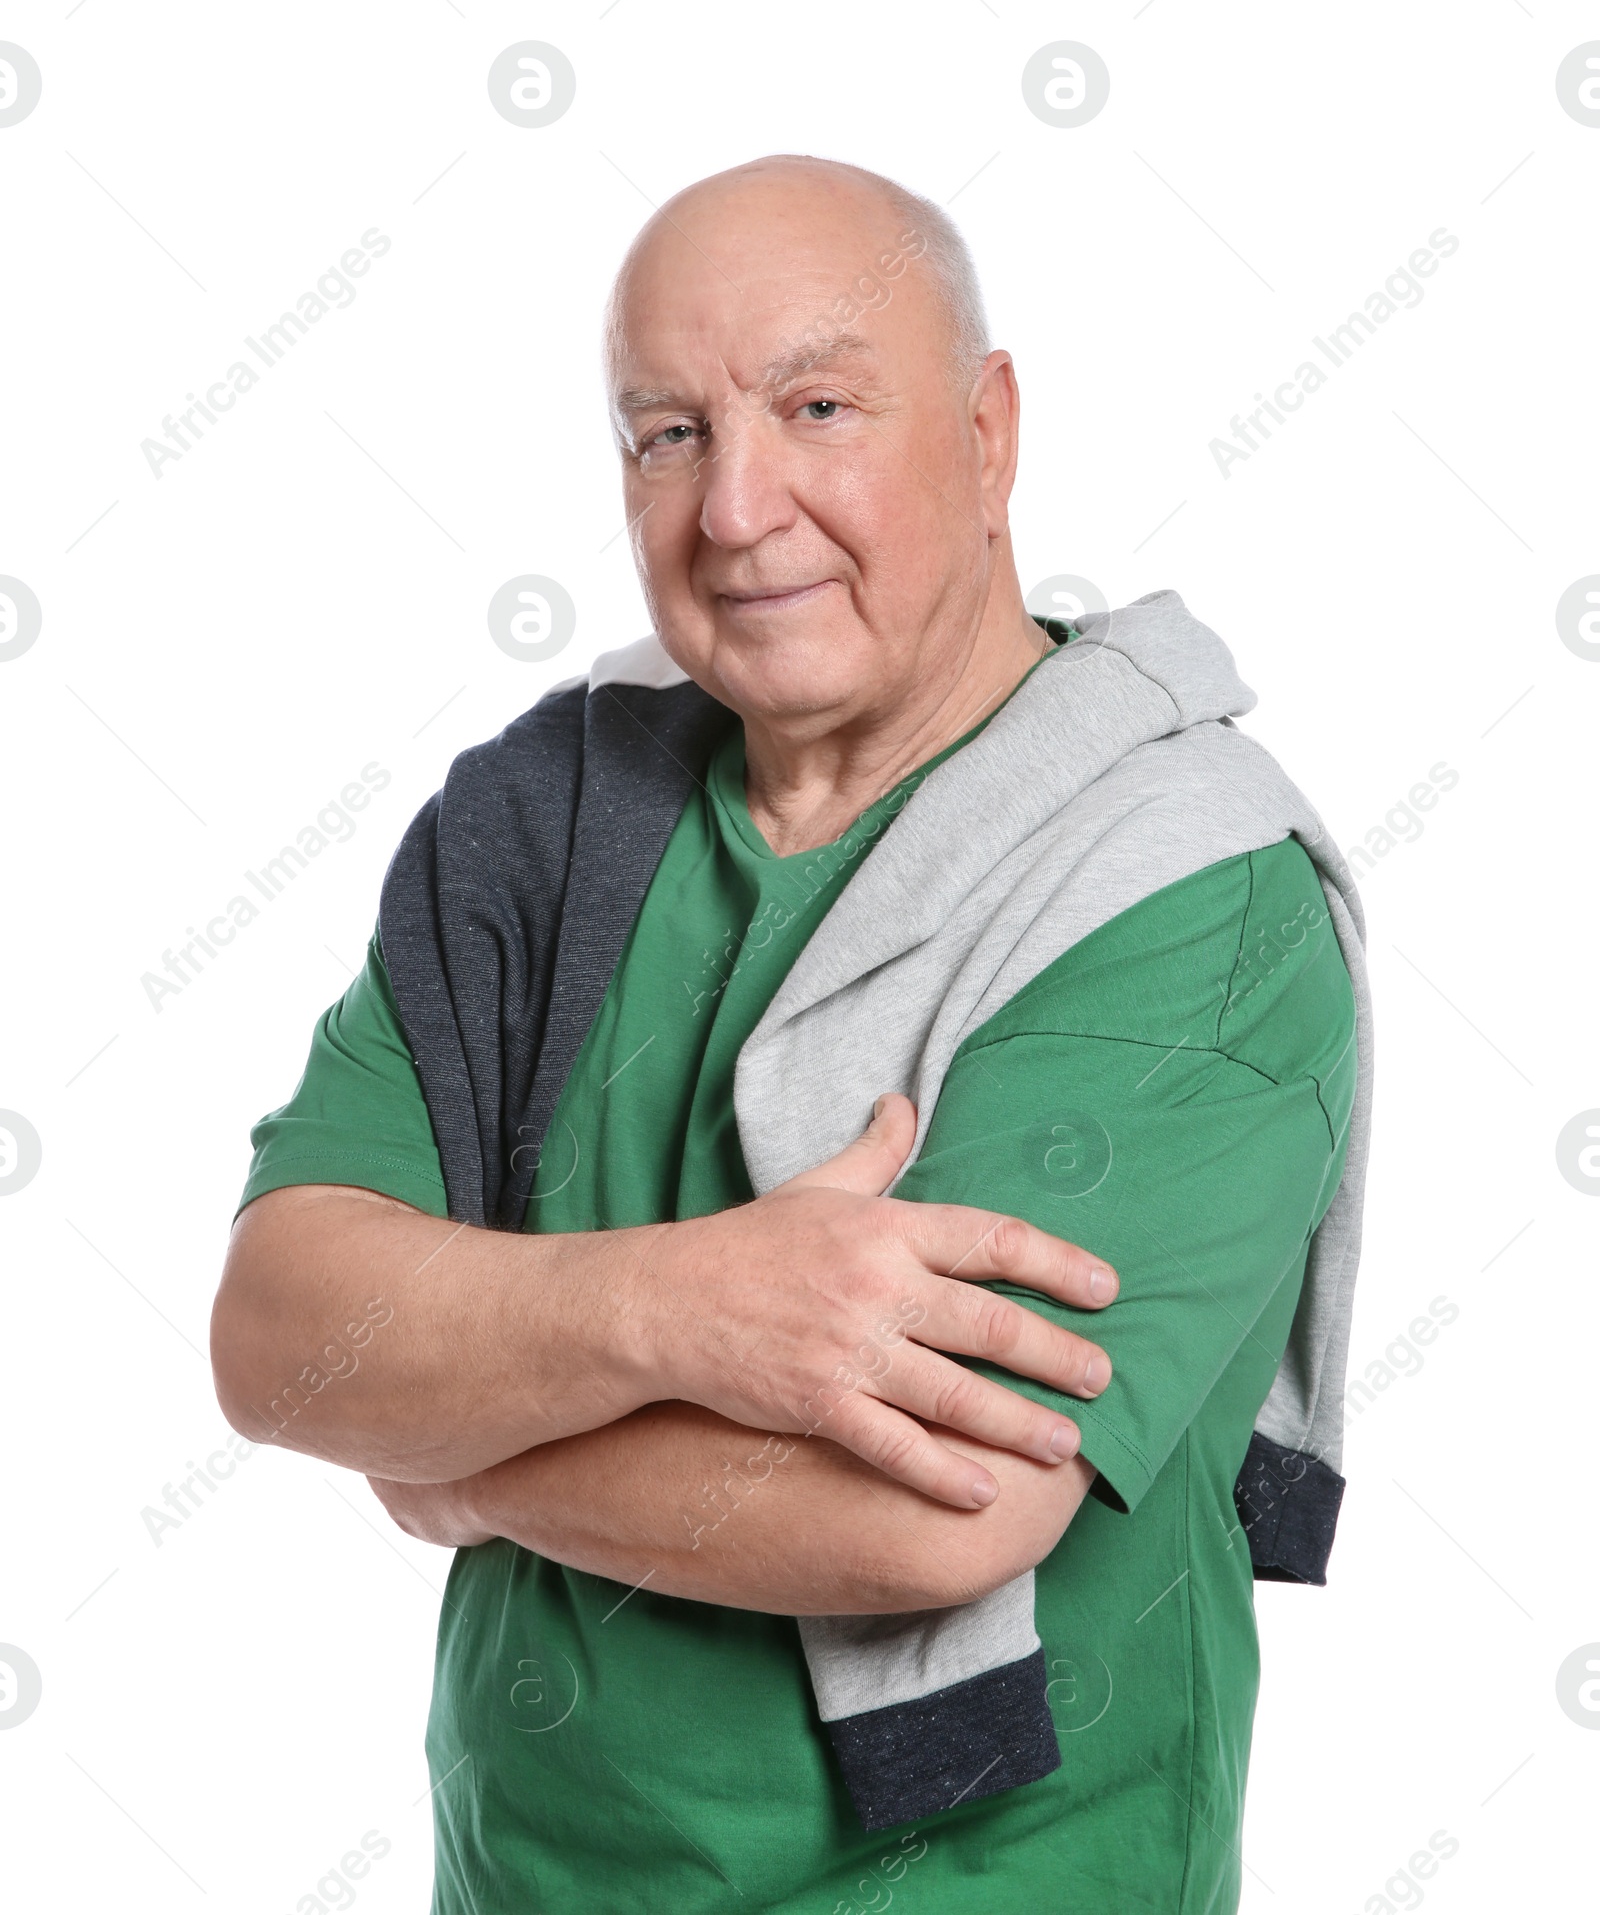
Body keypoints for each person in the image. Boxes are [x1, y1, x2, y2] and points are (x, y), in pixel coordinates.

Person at [211, 155, 1368, 1913]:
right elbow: (278, 1328)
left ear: (989, 433)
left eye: (817, 407)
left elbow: (935, 1515)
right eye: (666, 432)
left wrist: (451, 1457)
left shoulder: (1185, 892)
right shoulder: (549, 816)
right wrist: (693, 1304)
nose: (738, 508)